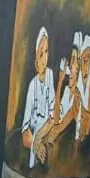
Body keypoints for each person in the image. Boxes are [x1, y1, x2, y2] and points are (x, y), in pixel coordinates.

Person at [21, 26, 56, 168]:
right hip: (35, 135)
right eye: (41, 54)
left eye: (46, 51)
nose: (45, 58)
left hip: (46, 132)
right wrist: (35, 142)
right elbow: (25, 131)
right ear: (35, 61)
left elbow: (53, 115)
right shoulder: (32, 86)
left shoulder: (50, 75)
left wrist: (39, 137)